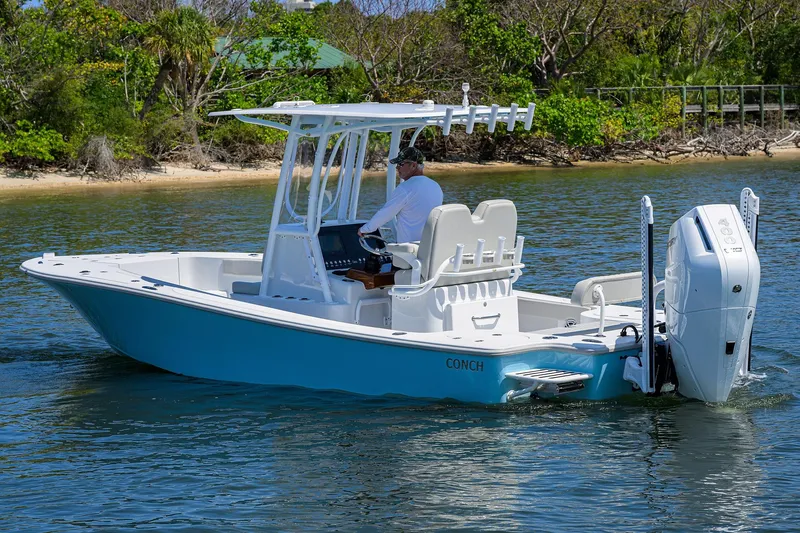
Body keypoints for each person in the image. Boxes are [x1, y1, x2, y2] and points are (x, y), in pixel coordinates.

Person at [357, 147, 443, 243]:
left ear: (413, 165)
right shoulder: (435, 186)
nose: (397, 167)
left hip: (408, 251)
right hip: (429, 247)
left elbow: (386, 214)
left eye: (401, 164)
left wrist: (364, 229)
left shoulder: (405, 188)